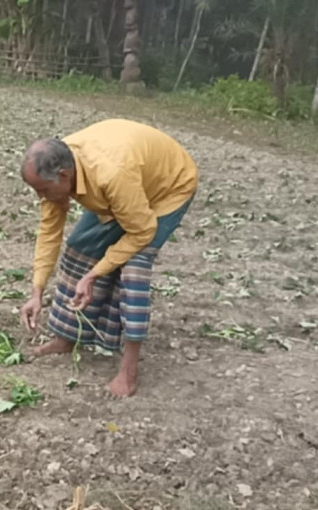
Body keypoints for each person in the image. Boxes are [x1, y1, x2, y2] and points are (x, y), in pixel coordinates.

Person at [19, 118, 198, 397]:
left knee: (133, 266)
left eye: (42, 190)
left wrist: (94, 274)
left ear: (65, 176)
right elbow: (50, 232)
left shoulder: (111, 174)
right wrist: (36, 291)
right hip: (130, 182)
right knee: (81, 246)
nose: (40, 196)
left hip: (168, 187)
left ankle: (128, 370)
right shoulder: (63, 167)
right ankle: (67, 337)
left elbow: (141, 232)